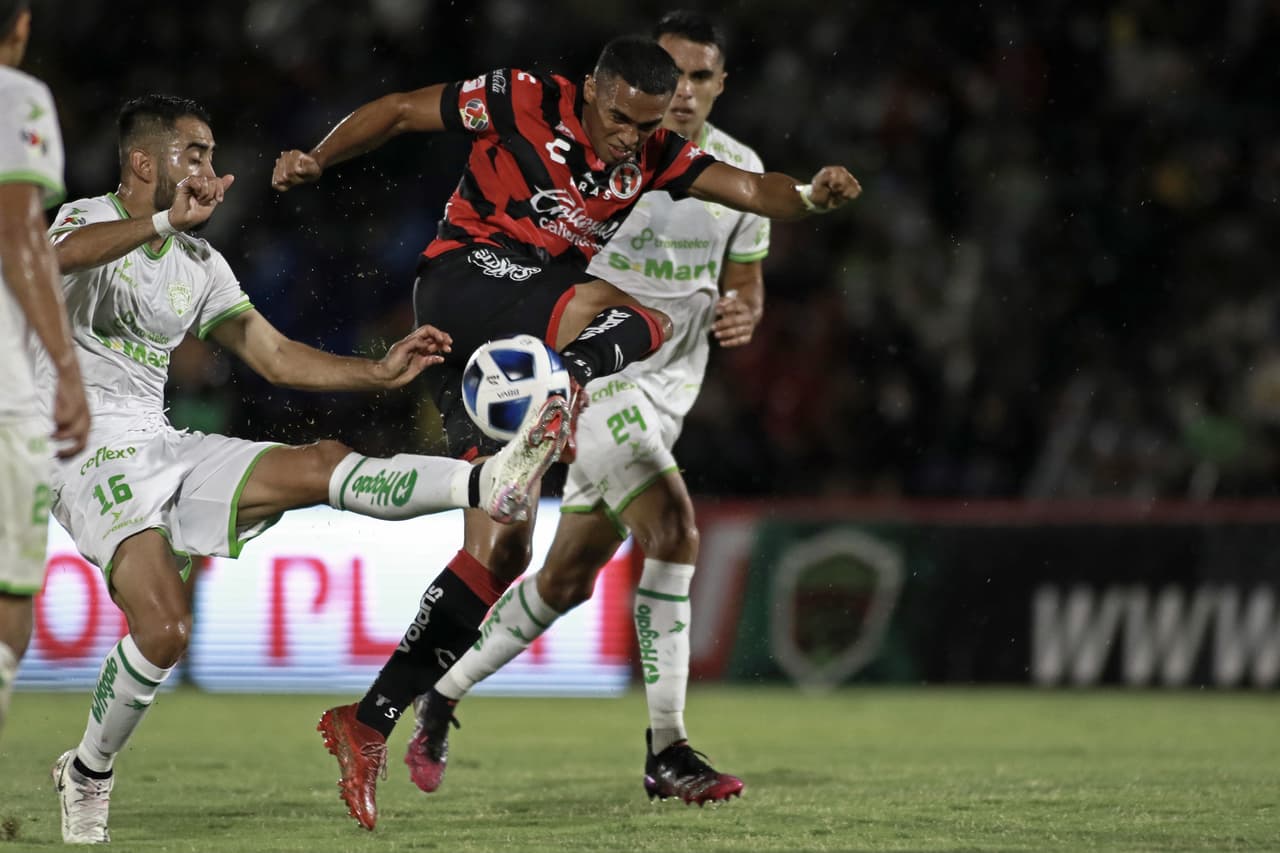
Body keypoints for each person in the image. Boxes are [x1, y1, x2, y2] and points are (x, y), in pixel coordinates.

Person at [272, 35, 859, 830]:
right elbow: (405, 111)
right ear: (590, 88)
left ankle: (368, 720)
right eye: (618, 117)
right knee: (639, 313)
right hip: (465, 275)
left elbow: (755, 190)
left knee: (503, 546)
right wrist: (318, 156)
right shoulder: (523, 97)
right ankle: (565, 385)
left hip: (492, 348)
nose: (627, 137)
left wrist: (815, 197)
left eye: (642, 125)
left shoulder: (651, 153)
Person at [45, 94, 570, 846]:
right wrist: (164, 223)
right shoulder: (84, 218)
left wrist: (377, 372)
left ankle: (489, 482)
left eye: (212, 154)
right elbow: (54, 259)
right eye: (193, 154)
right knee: (163, 630)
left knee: (323, 461)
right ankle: (89, 770)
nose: (209, 170)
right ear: (142, 162)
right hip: (82, 450)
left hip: (161, 441)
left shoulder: (198, 262)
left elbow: (273, 353)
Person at [407, 9, 771, 806]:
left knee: (568, 577)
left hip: (673, 385)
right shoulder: (616, 155)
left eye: (699, 78)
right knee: (673, 527)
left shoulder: (737, 170)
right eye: (668, 77)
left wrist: (746, 307)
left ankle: (441, 694)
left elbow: (745, 279)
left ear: (718, 85)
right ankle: (667, 749)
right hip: (600, 375)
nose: (681, 94)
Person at [0, 0, 90, 745]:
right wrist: (65, 365)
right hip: (3, 390)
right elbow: (21, 233)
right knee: (7, 592)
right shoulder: (15, 95)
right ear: (20, 27)